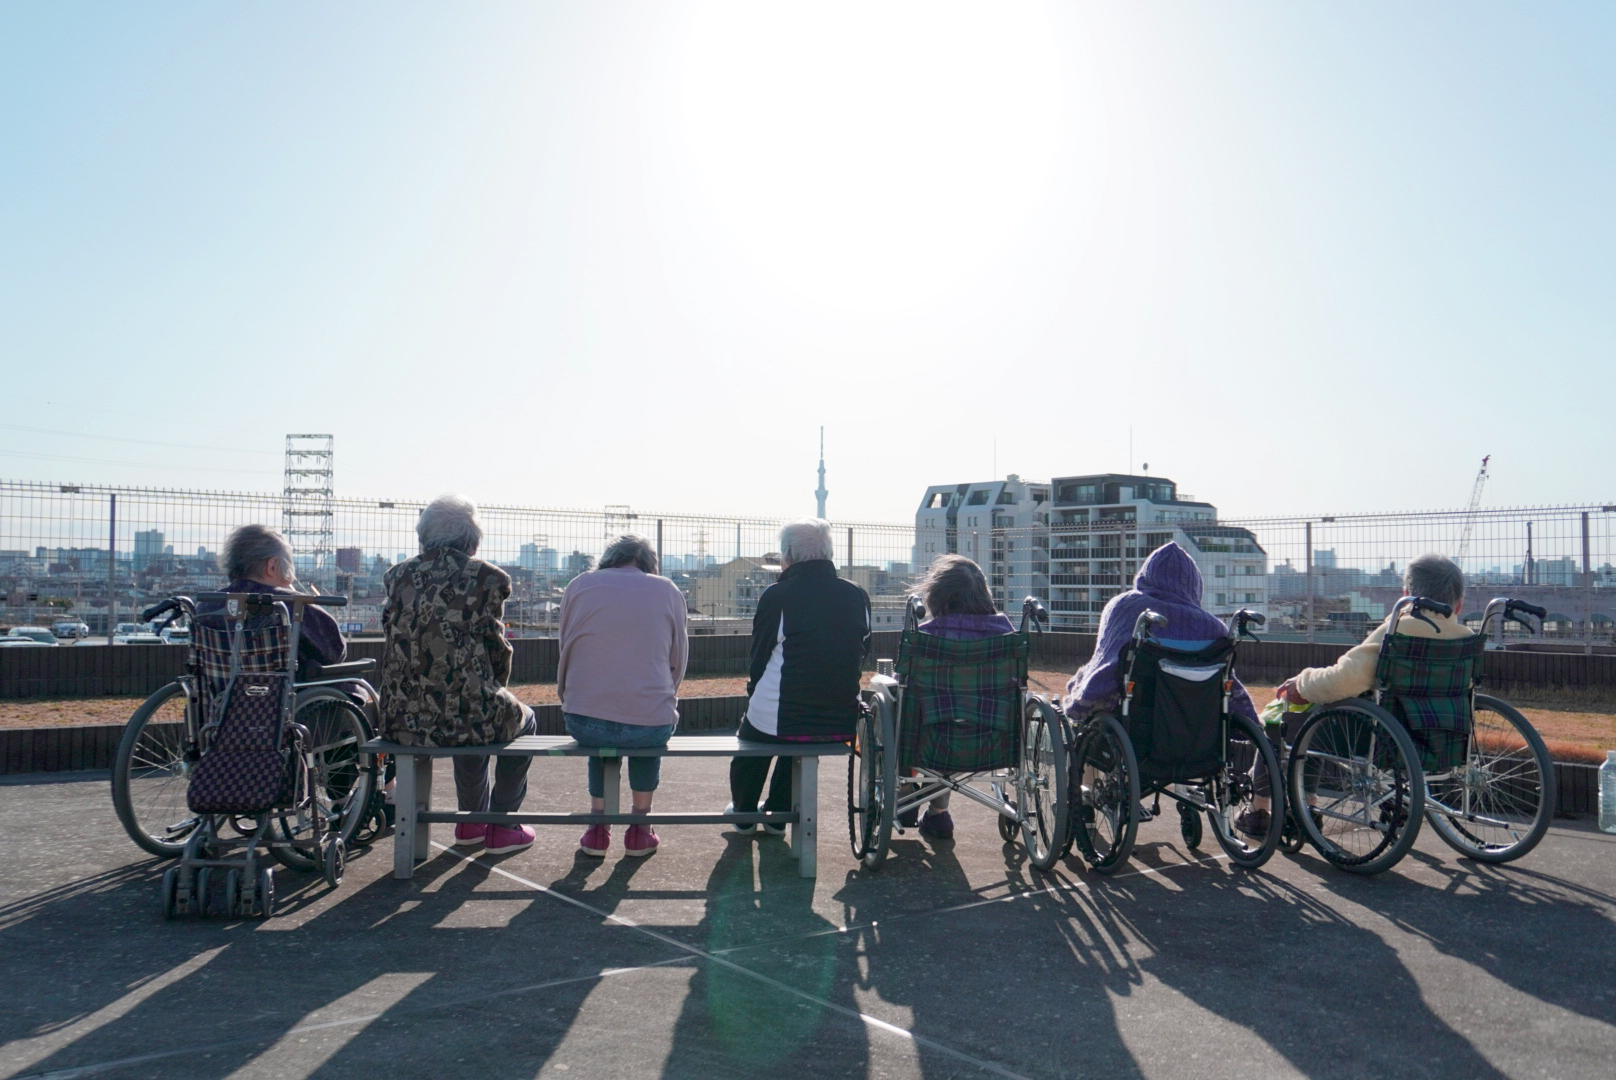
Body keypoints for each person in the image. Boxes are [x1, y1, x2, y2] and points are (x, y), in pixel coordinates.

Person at [1249, 553, 1475, 834]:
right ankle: (1310, 805)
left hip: (1378, 737)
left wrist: (1302, 684)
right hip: (1443, 735)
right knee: (1317, 716)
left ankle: (1261, 810)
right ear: (1459, 604)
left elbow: (1344, 680)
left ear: (1406, 595)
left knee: (1282, 722)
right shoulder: (1465, 639)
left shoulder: (1398, 632)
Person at [378, 494, 537, 856]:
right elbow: (496, 648)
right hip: (468, 712)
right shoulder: (488, 578)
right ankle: (501, 825)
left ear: (423, 537)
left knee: (474, 710)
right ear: (473, 541)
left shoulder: (396, 576)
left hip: (401, 718)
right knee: (512, 717)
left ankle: (470, 822)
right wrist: (492, 686)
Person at [1064, 542, 1258, 823]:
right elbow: (1230, 686)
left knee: (1094, 715)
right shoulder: (1214, 628)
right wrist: (1250, 722)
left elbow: (1103, 669)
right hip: (1197, 734)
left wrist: (1079, 700)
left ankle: (1086, 794)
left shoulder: (1126, 608)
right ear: (1194, 585)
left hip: (1139, 731)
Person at [727, 518, 870, 832]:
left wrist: (753, 695)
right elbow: (862, 650)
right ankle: (779, 814)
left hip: (782, 716)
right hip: (839, 719)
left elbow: (759, 656)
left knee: (753, 740)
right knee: (799, 740)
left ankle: (744, 814)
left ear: (788, 554)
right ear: (829, 553)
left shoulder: (778, 595)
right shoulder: (857, 594)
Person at [558, 534, 689, 858]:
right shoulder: (667, 590)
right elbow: (679, 659)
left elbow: (566, 647)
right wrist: (662, 695)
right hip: (649, 722)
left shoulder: (579, 585)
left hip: (583, 719)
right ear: (649, 564)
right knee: (647, 731)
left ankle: (597, 829)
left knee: (600, 735)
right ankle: (640, 829)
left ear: (609, 559)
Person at [899, 553, 1016, 839]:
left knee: (901, 704)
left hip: (931, 740)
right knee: (959, 717)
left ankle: (906, 791)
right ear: (984, 593)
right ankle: (937, 813)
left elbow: (906, 691)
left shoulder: (925, 638)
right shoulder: (1007, 635)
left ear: (937, 595)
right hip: (993, 739)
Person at [200, 523, 347, 677]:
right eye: (289, 567)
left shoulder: (206, 607)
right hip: (284, 690)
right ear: (272, 566)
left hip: (219, 690)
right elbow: (335, 652)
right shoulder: (291, 605)